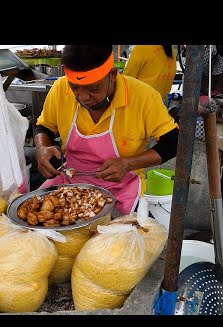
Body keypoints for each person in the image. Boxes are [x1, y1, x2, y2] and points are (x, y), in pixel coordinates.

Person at [33, 45, 179, 215]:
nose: (83, 97)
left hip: (122, 189)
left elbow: (173, 142)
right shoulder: (60, 88)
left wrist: (128, 164)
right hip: (70, 183)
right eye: (75, 88)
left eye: (93, 88)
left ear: (112, 75)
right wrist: (42, 148)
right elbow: (43, 126)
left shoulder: (144, 97)